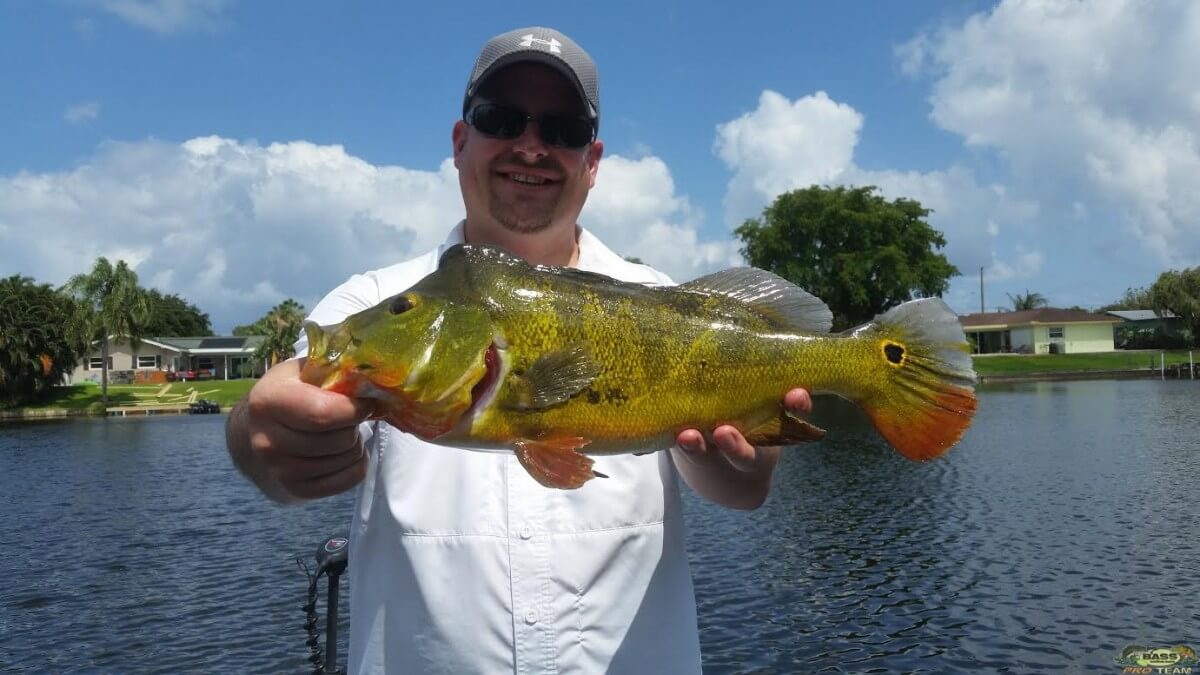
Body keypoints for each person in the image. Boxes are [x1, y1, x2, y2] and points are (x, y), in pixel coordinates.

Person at [226, 26, 812, 674]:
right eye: (501, 119)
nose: (530, 147)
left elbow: (733, 484)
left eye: (561, 130)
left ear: (592, 161)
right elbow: (276, 416)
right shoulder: (380, 298)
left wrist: (744, 468)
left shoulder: (657, 299)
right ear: (459, 140)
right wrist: (261, 429)